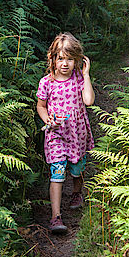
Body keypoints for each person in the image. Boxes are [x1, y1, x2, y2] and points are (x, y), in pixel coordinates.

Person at [36, 32, 95, 233]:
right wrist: (47, 119)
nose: (65, 63)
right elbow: (41, 106)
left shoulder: (78, 78)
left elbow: (88, 101)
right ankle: (56, 217)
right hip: (56, 135)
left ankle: (77, 192)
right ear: (52, 59)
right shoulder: (47, 82)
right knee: (57, 173)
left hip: (77, 135)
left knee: (77, 170)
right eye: (61, 58)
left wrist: (86, 75)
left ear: (77, 60)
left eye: (70, 59)